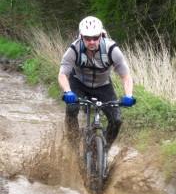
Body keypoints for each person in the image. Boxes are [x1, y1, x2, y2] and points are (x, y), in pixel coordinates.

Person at [58, 16, 136, 149]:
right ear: (81, 36)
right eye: (87, 38)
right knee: (72, 108)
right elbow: (63, 74)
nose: (92, 41)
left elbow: (126, 76)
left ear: (101, 35)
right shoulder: (74, 49)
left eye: (95, 37)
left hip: (103, 86)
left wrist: (128, 95)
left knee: (116, 120)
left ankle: (104, 149)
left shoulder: (112, 49)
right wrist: (68, 91)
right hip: (78, 84)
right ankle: (74, 144)